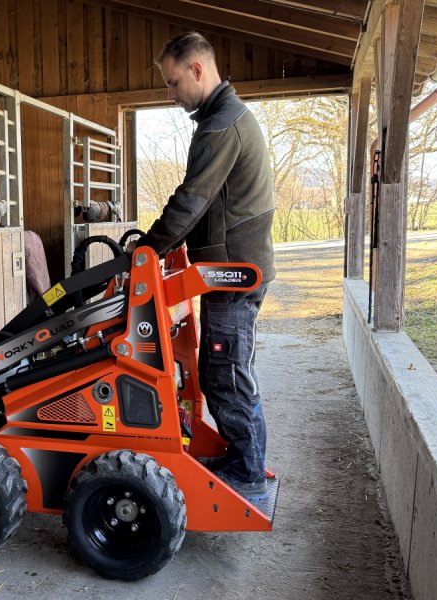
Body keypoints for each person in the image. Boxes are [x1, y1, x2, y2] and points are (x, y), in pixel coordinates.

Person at [132, 32, 276, 501]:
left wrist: (148, 249)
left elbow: (192, 199)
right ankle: (240, 458)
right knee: (220, 368)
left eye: (173, 83)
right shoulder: (222, 117)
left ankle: (248, 470)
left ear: (197, 70)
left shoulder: (222, 124)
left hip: (234, 273)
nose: (171, 95)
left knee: (226, 372)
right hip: (225, 271)